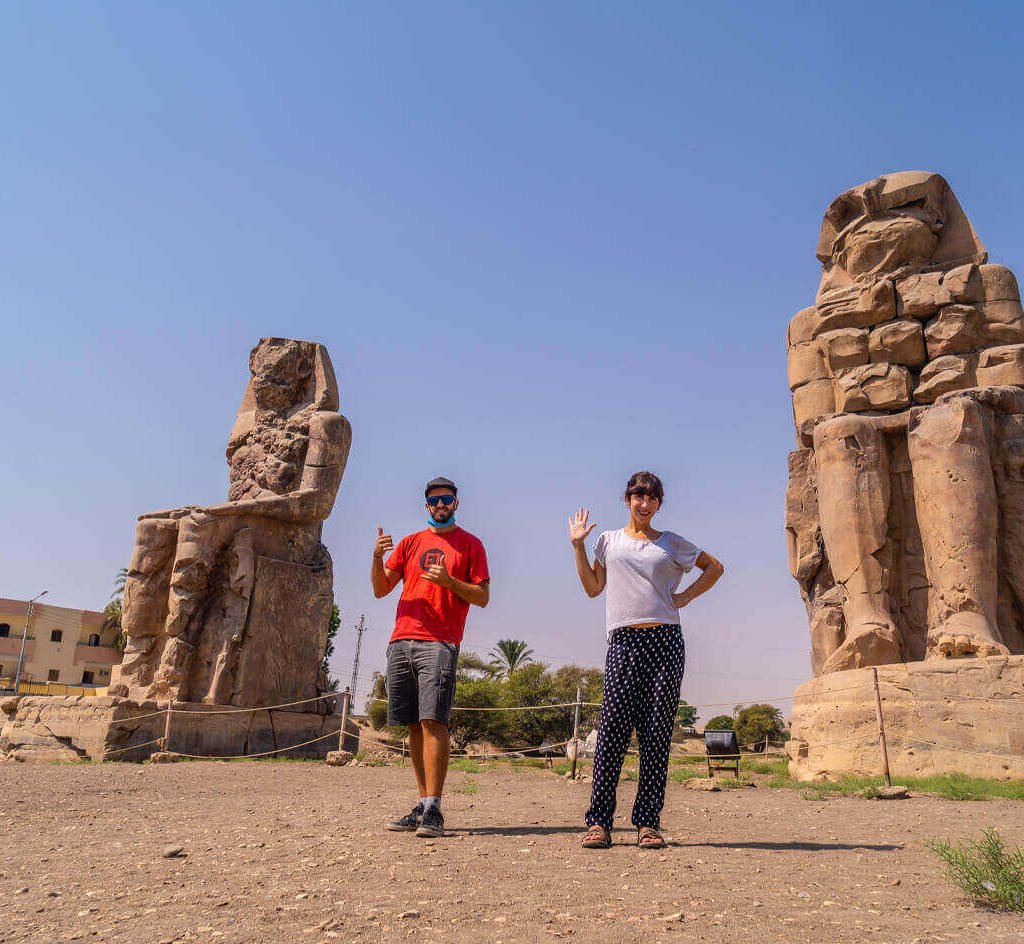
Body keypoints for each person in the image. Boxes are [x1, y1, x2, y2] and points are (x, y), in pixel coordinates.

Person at [569, 471, 724, 849]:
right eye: (638, 497)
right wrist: (577, 546)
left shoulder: (671, 543)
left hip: (665, 643)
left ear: (658, 504)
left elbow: (715, 568)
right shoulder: (608, 542)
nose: (644, 503)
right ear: (627, 500)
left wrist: (685, 597)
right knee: (611, 735)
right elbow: (593, 589)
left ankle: (648, 824)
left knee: (655, 736)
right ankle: (599, 823)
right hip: (623, 641)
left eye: (652, 498)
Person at [372, 476, 490, 838]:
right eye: (435, 500)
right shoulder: (409, 543)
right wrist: (377, 556)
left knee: (433, 721)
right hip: (401, 640)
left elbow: (482, 596)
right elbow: (380, 589)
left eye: (447, 500)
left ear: (457, 504)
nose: (441, 505)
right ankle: (422, 805)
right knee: (412, 725)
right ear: (426, 505)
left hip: (439, 642)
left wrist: (450, 583)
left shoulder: (471, 545)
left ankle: (435, 809)